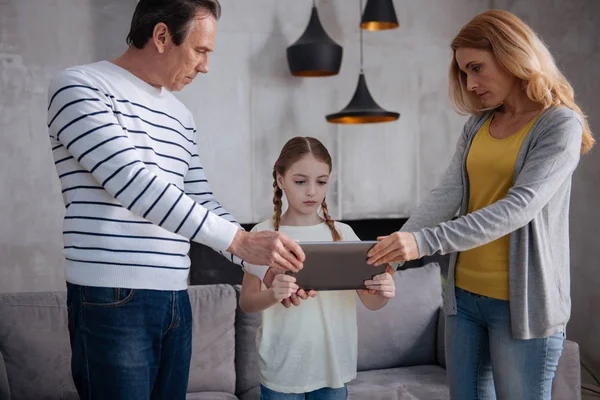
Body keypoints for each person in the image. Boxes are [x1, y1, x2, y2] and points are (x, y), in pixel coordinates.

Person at [46, 1, 306, 399]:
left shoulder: (180, 115)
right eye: (200, 51)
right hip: (111, 299)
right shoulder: (79, 86)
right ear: (162, 36)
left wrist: (260, 267)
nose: (205, 66)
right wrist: (239, 241)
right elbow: (133, 184)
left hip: (175, 297)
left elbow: (200, 198)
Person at [366, 9, 594, 400]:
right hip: (464, 301)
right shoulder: (478, 124)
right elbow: (447, 193)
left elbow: (518, 207)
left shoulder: (560, 125)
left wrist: (423, 243)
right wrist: (394, 252)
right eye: (463, 73)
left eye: (477, 68)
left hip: (522, 307)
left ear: (513, 56)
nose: (470, 84)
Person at [240, 137, 396, 400]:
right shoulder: (262, 235)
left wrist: (385, 289)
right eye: (300, 182)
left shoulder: (344, 235)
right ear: (280, 180)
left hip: (332, 369)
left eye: (321, 181)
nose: (311, 191)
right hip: (282, 371)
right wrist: (273, 293)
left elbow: (372, 302)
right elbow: (246, 302)